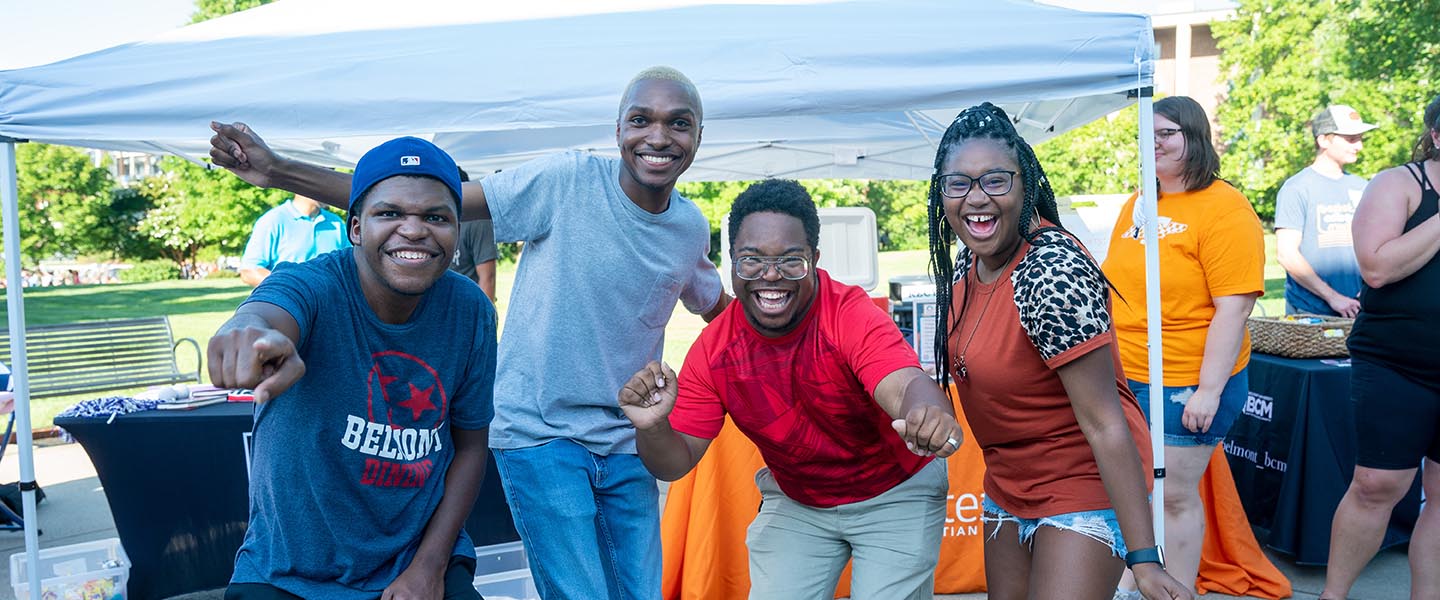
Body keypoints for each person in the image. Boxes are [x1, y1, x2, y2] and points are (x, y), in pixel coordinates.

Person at [208, 66, 729, 599]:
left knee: (640, 592)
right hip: (542, 431)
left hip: (626, 435)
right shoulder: (566, 182)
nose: (659, 137)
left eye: (679, 123)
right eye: (641, 119)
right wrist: (277, 172)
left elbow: (720, 307)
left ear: (699, 137)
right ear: (618, 129)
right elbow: (417, 199)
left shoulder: (688, 229)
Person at [618, 179, 960, 599]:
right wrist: (652, 427)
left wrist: (924, 410)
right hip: (799, 501)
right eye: (752, 261)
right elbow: (674, 464)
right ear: (730, 265)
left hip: (894, 490)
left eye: (790, 260)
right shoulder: (714, 350)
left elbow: (903, 381)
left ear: (814, 259)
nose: (771, 276)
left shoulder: (848, 312)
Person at [207, 136, 496, 599]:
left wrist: (429, 566)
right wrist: (253, 333)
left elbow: (470, 448)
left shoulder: (471, 312)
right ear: (356, 228)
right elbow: (267, 311)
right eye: (390, 213)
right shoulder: (313, 284)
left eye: (435, 217)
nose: (414, 230)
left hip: (415, 558)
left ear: (457, 232)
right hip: (289, 571)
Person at [924, 103, 1190, 600]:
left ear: (1025, 185)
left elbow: (1105, 423)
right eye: (958, 184)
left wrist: (1145, 559)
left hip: (1081, 483)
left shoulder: (1051, 271)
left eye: (995, 181)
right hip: (1007, 485)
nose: (975, 198)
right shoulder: (966, 267)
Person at [1102, 96, 1265, 595]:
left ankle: (1178, 589)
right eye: (1147, 133)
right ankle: (1135, 585)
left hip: (1188, 379)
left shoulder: (1225, 208)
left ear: (1195, 137)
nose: (1154, 142)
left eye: (1167, 132)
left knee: (1172, 495)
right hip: (1127, 372)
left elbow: (1233, 308)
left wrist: (1209, 390)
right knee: (1132, 491)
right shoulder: (1139, 202)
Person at [1320, 93, 1440, 600]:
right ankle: (1333, 595)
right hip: (1397, 362)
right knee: (1377, 486)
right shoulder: (1400, 183)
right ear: (1436, 135)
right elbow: (1377, 267)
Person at [1275, 105, 1377, 317]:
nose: (1359, 146)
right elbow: (1287, 254)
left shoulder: (1363, 187)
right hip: (1311, 313)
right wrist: (1333, 298)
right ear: (1323, 140)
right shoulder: (1296, 188)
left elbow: (1375, 245)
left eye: (1360, 138)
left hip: (1359, 310)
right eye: (1350, 139)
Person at [239, 193, 350, 286]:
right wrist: (294, 287)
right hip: (288, 307)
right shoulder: (273, 220)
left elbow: (349, 266)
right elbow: (249, 271)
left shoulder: (336, 223)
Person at [450, 167, 499, 300]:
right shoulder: (435, 223)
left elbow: (488, 277)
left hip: (465, 307)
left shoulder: (478, 223)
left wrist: (484, 318)